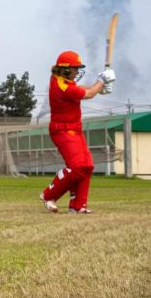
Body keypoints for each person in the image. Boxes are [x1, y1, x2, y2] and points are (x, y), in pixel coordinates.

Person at [40, 51, 115, 214]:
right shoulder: (62, 86)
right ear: (66, 70)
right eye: (75, 69)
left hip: (74, 129)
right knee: (78, 166)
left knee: (87, 166)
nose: (77, 72)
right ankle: (48, 195)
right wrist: (101, 82)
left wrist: (100, 87)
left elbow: (82, 89)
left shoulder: (60, 79)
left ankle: (78, 206)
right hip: (63, 131)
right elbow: (88, 94)